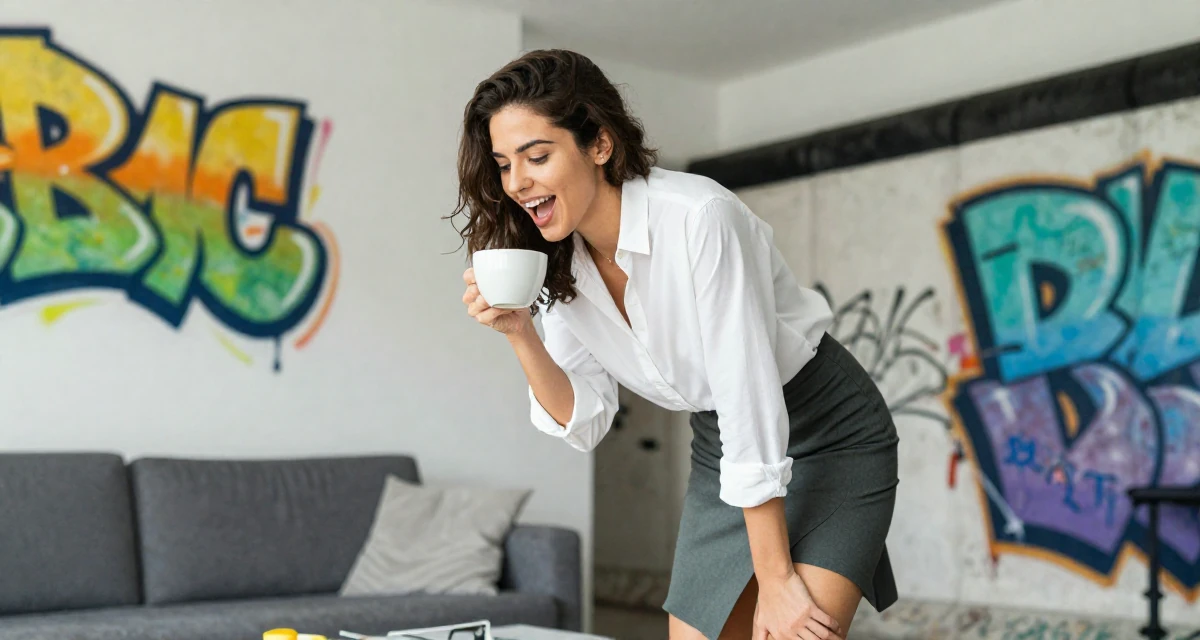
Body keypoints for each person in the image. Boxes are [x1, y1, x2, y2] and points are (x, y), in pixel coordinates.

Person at [449, 49, 899, 640]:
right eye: (505, 164)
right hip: (721, 446)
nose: (518, 183)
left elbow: (747, 393)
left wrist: (776, 577)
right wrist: (520, 333)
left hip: (830, 429)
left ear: (599, 144)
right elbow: (584, 419)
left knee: (787, 632)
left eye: (537, 156)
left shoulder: (698, 217)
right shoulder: (557, 263)